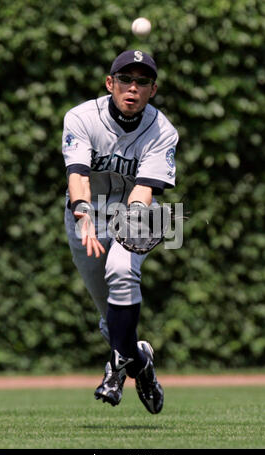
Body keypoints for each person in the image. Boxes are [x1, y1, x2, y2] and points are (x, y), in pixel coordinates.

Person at [62, 50, 178, 414]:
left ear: (153, 89)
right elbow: (77, 174)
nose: (133, 87)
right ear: (109, 84)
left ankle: (115, 369)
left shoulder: (162, 131)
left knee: (122, 270)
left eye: (142, 81)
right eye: (125, 79)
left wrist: (129, 224)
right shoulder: (81, 117)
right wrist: (83, 215)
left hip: (137, 212)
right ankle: (138, 360)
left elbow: (145, 190)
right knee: (109, 316)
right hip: (86, 215)